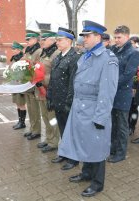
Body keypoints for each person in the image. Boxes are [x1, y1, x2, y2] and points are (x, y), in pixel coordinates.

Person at [58, 20, 119, 197]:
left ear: (98, 37)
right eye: (83, 36)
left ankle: (98, 182)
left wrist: (101, 117)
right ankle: (86, 173)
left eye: (87, 36)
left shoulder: (108, 59)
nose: (84, 39)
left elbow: (107, 92)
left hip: (94, 109)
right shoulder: (86, 55)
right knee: (83, 142)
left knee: (97, 146)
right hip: (80, 107)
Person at [47, 27, 80, 170]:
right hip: (58, 100)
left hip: (68, 102)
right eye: (57, 40)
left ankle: (73, 159)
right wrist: (50, 97)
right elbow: (53, 80)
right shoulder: (58, 57)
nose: (57, 43)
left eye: (59, 40)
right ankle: (65, 153)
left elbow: (74, 83)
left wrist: (69, 102)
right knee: (62, 128)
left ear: (69, 41)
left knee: (70, 131)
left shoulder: (74, 58)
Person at [108, 25, 139, 163]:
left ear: (127, 37)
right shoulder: (113, 49)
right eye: (115, 37)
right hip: (111, 93)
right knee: (112, 124)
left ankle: (120, 153)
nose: (116, 40)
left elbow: (128, 74)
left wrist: (111, 85)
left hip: (122, 94)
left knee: (121, 125)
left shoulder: (133, 53)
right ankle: (112, 149)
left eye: (119, 37)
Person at [34, 30, 60, 153]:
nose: (42, 42)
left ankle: (54, 141)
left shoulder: (56, 54)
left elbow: (56, 74)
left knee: (52, 118)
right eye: (41, 39)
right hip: (41, 90)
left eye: (45, 39)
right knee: (45, 116)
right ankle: (49, 138)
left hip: (50, 91)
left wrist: (41, 79)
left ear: (53, 40)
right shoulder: (44, 54)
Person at [22, 30, 42, 140]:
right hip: (27, 83)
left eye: (29, 39)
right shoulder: (28, 51)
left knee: (35, 109)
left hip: (34, 84)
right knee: (30, 109)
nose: (27, 42)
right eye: (27, 40)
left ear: (35, 39)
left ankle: (37, 130)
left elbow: (39, 68)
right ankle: (32, 128)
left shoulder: (38, 51)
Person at [128, 36, 139, 135]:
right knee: (128, 107)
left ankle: (132, 126)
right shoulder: (129, 52)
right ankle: (128, 125)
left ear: (137, 43)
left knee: (133, 107)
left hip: (136, 85)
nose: (131, 45)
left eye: (132, 43)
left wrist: (134, 85)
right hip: (128, 84)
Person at [9, 41, 26, 130]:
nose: (13, 51)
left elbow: (25, 72)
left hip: (20, 84)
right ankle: (20, 121)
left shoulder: (22, 58)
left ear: (19, 50)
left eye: (14, 49)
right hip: (14, 84)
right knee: (17, 104)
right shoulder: (14, 58)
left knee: (21, 104)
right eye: (12, 49)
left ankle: (22, 122)